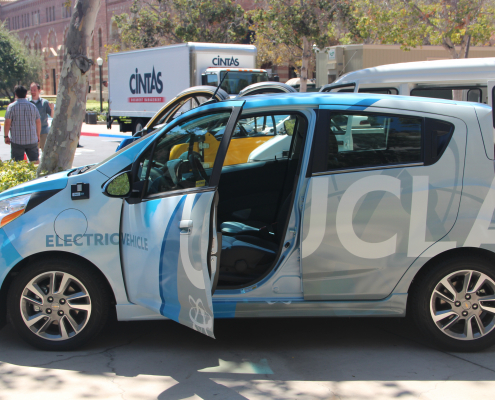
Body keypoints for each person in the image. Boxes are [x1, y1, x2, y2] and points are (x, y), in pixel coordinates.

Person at [4, 85, 41, 162]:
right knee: (35, 161)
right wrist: (38, 135)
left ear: (16, 94)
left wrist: (6, 136)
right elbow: (38, 121)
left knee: (18, 164)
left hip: (17, 141)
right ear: (26, 93)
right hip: (32, 139)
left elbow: (7, 122)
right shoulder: (33, 106)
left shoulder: (11, 107)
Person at [29, 82, 52, 151]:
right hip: (31, 133)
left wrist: (52, 109)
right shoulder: (27, 102)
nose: (32, 92)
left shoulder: (44, 102)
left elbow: (52, 115)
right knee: (33, 155)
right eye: (31, 90)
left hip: (43, 132)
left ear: (39, 91)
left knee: (46, 153)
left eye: (34, 90)